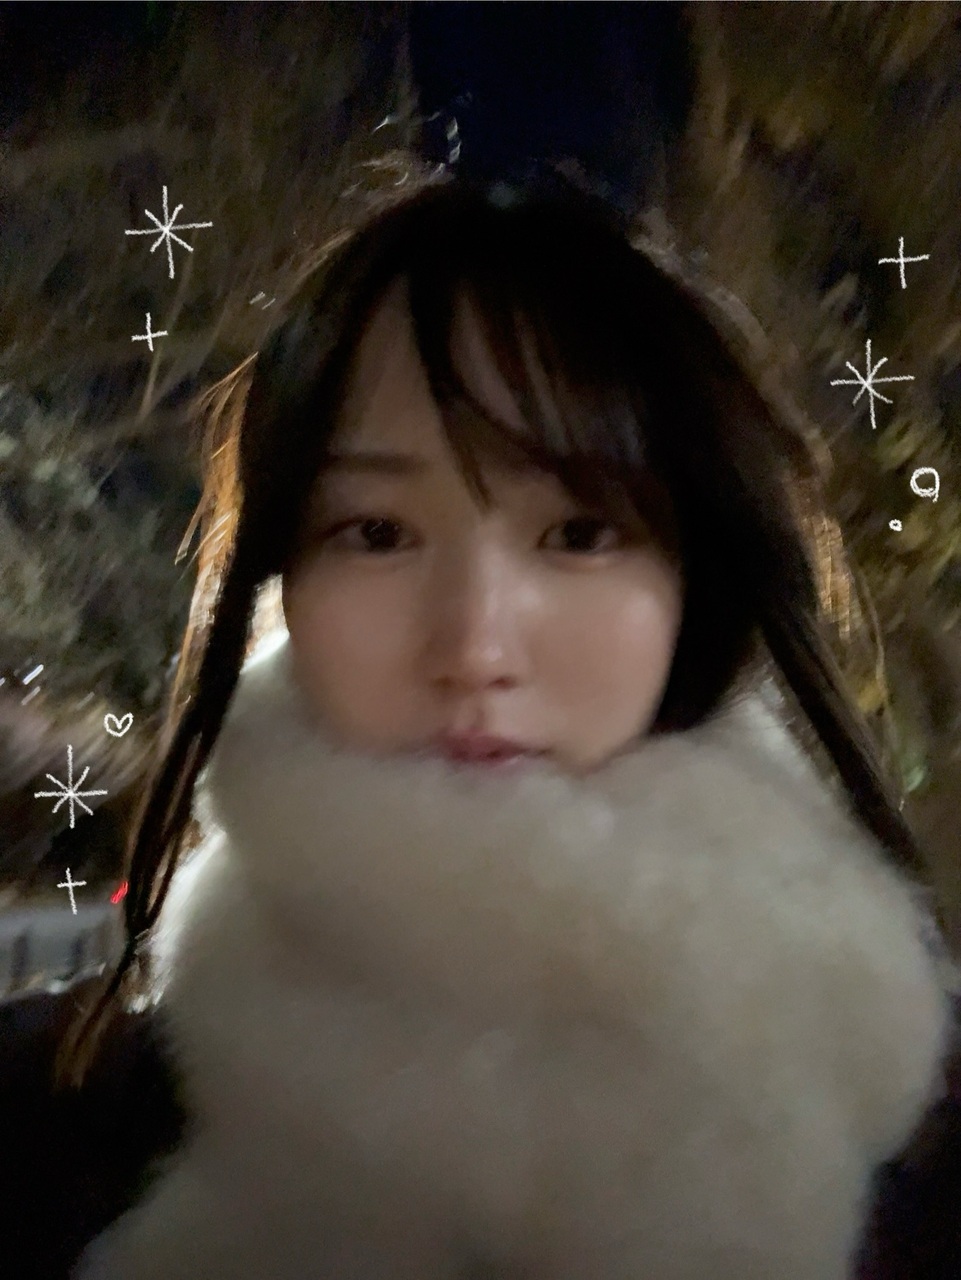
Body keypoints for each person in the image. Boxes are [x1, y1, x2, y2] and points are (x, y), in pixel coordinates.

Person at [9, 171, 961, 1278]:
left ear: (697, 578)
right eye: (375, 532)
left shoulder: (923, 1152)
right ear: (281, 577)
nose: (473, 643)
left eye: (579, 532)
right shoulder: (51, 1133)